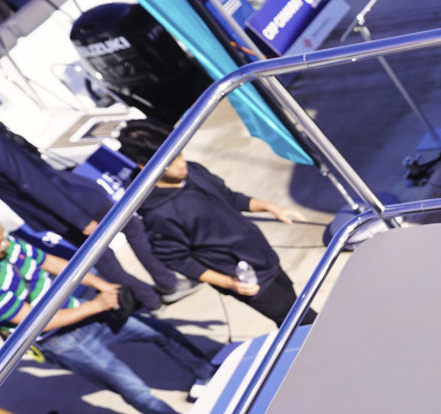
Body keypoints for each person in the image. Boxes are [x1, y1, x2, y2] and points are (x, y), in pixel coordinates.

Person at [0, 209, 216, 414]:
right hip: (60, 341)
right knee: (131, 387)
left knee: (161, 332)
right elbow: (34, 323)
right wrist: (96, 305)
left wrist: (101, 285)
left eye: (4, 236)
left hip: (84, 312)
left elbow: (51, 263)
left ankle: (208, 374)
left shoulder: (4, 245)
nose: (6, 244)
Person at [0, 83, 180, 304]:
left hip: (43, 207)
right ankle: (166, 285)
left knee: (102, 255)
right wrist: (78, 218)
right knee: (127, 229)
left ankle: (151, 298)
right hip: (65, 199)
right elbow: (29, 180)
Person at [117, 124, 313, 327]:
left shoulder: (192, 170)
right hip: (245, 278)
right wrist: (229, 283)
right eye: (170, 161)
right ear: (144, 166)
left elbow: (229, 197)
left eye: (179, 153)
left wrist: (272, 208)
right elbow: (175, 259)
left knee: (298, 305)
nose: (181, 163)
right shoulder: (158, 214)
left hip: (262, 254)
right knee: (303, 321)